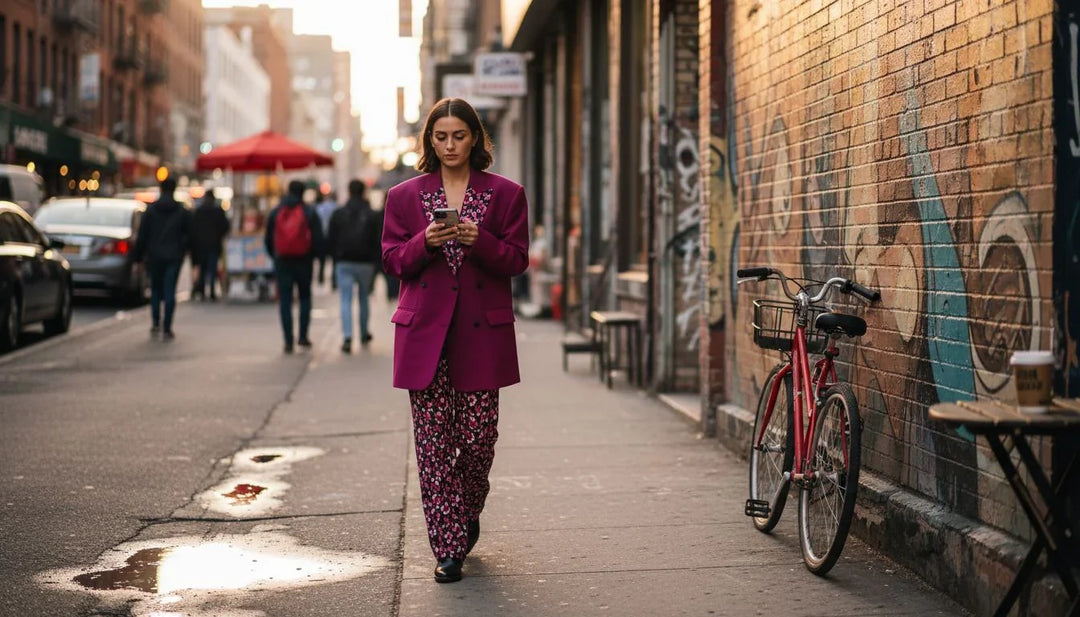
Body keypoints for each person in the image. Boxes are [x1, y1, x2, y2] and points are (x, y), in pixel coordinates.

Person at [381, 97, 529, 584]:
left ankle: (465, 510)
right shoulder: (404, 196)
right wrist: (424, 242)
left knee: (479, 440)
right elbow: (392, 261)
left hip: (481, 336)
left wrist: (477, 240)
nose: (449, 145)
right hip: (424, 336)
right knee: (432, 444)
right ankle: (447, 547)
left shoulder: (506, 194)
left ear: (475, 138)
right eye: (440, 137)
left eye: (458, 136)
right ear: (429, 141)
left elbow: (516, 260)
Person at [264, 180, 324, 353]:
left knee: (285, 300)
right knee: (305, 297)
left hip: (282, 261)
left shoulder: (276, 211)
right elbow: (318, 239)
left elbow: (268, 239)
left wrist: (276, 255)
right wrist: (316, 258)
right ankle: (303, 336)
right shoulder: (309, 211)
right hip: (304, 261)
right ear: (303, 192)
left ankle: (288, 340)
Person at [326, 179, 381, 353]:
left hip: (344, 262)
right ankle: (364, 333)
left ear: (349, 192)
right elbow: (378, 241)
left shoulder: (339, 213)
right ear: (363, 192)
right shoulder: (371, 214)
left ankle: (347, 336)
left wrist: (335, 259)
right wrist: (376, 263)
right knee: (364, 298)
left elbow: (331, 240)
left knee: (345, 300)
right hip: (365, 263)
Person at [134, 176, 192, 340]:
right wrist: (183, 249)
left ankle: (155, 323)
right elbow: (189, 235)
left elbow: (142, 236)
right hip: (173, 256)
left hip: (154, 256)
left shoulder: (151, 211)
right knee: (169, 292)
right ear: (174, 190)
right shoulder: (181, 211)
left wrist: (138, 258)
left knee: (155, 290)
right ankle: (167, 327)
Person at [191, 188, 230, 301]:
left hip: (201, 245)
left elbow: (193, 229)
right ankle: (212, 291)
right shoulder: (218, 210)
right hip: (214, 244)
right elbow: (225, 226)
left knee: (203, 269)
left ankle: (202, 291)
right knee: (212, 269)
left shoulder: (199, 211)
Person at [315, 191, 338, 287]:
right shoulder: (337, 208)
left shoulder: (320, 207)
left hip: (322, 236)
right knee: (334, 261)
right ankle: (334, 281)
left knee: (322, 260)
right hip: (333, 237)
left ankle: (320, 278)